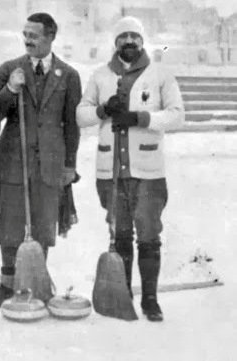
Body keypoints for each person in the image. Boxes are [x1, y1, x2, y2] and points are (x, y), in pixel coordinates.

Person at [76, 16, 184, 321]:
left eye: (135, 37)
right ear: (115, 42)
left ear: (143, 41)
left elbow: (177, 116)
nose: (129, 42)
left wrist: (141, 119)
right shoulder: (99, 76)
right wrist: (102, 110)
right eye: (123, 37)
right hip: (111, 172)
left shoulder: (160, 75)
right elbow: (81, 116)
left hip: (148, 172)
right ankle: (122, 293)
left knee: (148, 235)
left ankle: (150, 298)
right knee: (119, 234)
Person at [0, 13, 81, 307]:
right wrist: (10, 89)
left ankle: (37, 281)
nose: (28, 39)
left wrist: (69, 165)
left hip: (50, 164)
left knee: (43, 223)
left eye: (35, 35)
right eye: (25, 33)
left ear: (51, 37)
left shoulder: (68, 75)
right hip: (14, 161)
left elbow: (72, 124)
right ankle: (6, 284)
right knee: (10, 223)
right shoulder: (9, 69)